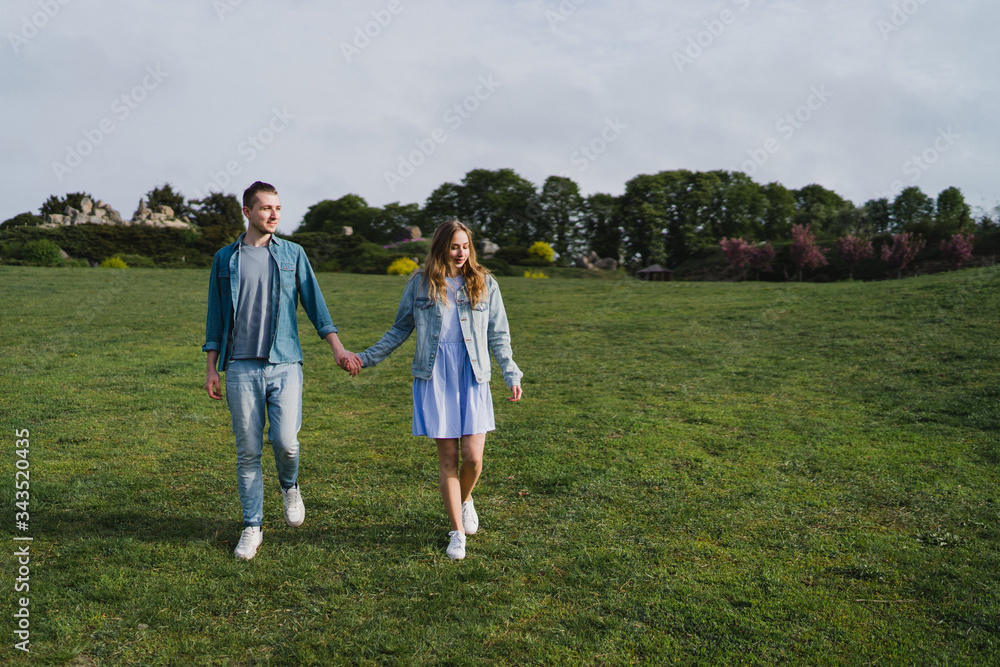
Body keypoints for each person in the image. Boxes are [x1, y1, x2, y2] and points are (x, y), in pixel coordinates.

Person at [203, 180, 360, 560]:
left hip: (285, 364)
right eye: (265, 208)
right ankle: (252, 526)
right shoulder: (226, 259)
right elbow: (215, 315)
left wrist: (337, 348)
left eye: (277, 208)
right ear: (247, 212)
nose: (273, 215)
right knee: (248, 452)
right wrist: (211, 368)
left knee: (287, 443)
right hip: (240, 367)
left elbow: (315, 304)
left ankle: (290, 486)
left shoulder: (292, 254)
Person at [353, 219, 522, 560]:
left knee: (473, 458)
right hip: (435, 376)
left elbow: (498, 334)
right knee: (448, 459)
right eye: (454, 246)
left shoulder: (484, 282)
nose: (461, 253)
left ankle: (465, 498)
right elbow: (399, 329)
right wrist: (365, 358)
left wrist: (511, 373)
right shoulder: (420, 283)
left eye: (465, 246)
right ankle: (456, 532)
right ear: (441, 247)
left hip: (472, 374)